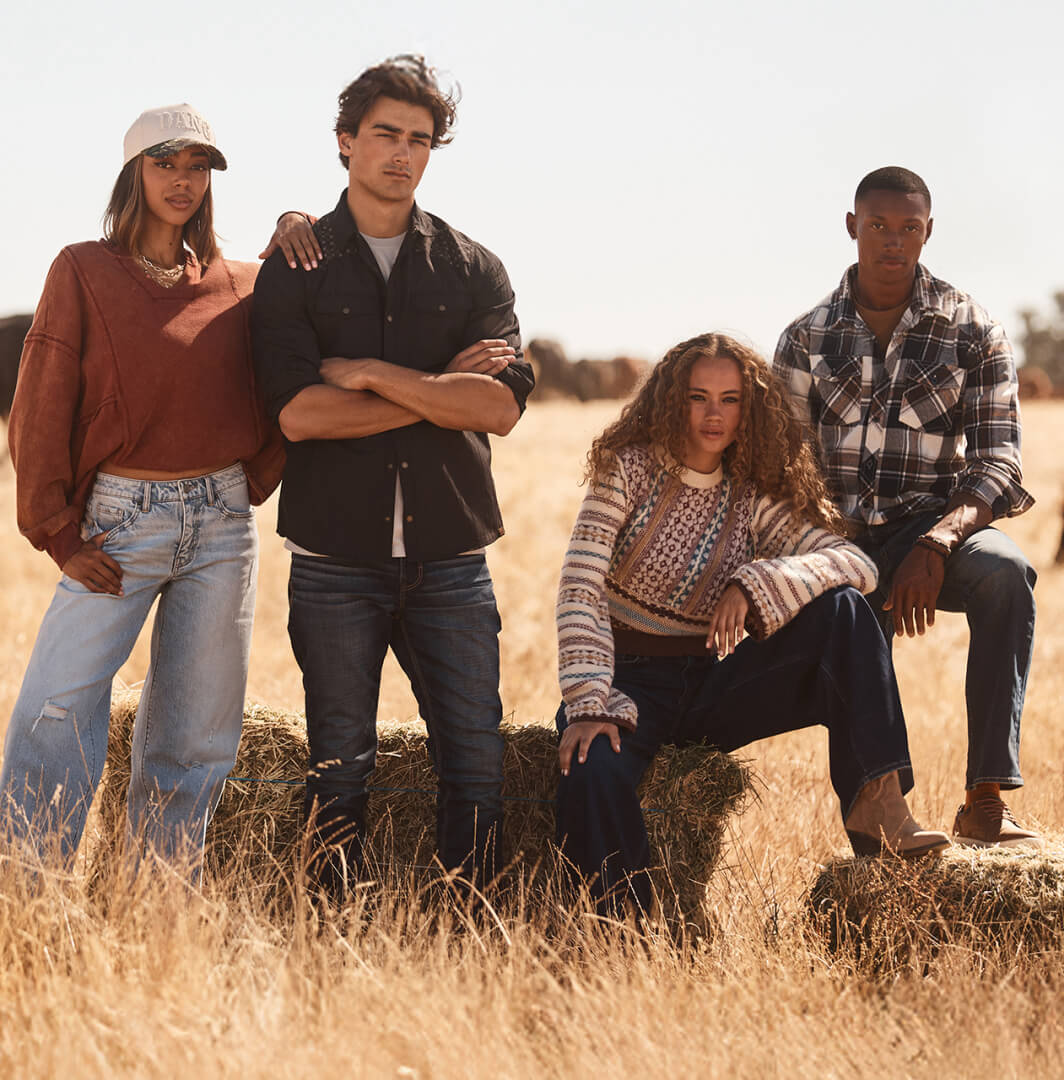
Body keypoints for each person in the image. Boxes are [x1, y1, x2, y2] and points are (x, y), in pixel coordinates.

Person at [252, 55, 534, 899]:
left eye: (419, 139)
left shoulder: (473, 266)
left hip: (452, 557)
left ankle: (468, 927)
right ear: (345, 142)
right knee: (340, 763)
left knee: (476, 760)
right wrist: (437, 388)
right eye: (385, 134)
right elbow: (299, 416)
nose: (402, 153)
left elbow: (498, 410)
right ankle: (335, 928)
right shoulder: (295, 264)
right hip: (335, 560)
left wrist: (371, 372)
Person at [555, 333, 949, 916]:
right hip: (625, 682)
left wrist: (758, 582)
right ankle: (629, 931)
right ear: (671, 402)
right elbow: (579, 586)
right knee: (588, 769)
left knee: (843, 611)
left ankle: (877, 804)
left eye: (730, 399)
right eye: (698, 398)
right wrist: (589, 698)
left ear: (751, 409)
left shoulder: (753, 495)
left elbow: (856, 564)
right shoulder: (628, 471)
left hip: (710, 682)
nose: (714, 414)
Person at [0, 104, 284, 873]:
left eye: (197, 168)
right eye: (165, 164)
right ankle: (27, 897)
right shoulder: (83, 270)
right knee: (57, 712)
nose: (182, 181)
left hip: (222, 531)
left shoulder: (246, 284)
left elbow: (301, 373)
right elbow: (41, 402)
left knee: (194, 732)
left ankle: (156, 907)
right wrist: (57, 533)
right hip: (120, 523)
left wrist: (254, 477)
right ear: (134, 173)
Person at [774, 166, 1041, 849]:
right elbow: (782, 463)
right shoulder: (806, 337)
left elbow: (997, 461)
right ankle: (879, 830)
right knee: (851, 629)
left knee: (1006, 574)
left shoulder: (971, 328)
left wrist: (939, 541)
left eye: (910, 228)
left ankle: (985, 799)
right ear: (852, 226)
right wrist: (827, 551)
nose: (893, 242)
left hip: (930, 529)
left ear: (928, 232)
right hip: (835, 537)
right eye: (879, 227)